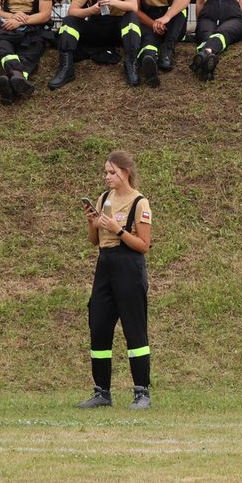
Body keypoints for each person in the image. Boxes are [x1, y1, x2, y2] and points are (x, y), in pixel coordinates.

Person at [78, 151, 152, 410]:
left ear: (125, 172)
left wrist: (118, 230)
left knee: (134, 329)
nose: (107, 177)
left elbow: (144, 245)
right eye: (106, 172)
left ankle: (142, 393)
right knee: (98, 325)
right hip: (105, 266)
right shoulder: (103, 198)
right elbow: (94, 240)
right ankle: (102, 392)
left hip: (129, 267)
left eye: (112, 172)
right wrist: (92, 223)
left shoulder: (139, 203)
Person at [51, 0, 144, 89]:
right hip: (96, 27)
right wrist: (91, 10)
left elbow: (133, 6)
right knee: (69, 21)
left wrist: (112, 1)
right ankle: (66, 68)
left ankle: (131, 63)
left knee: (132, 18)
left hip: (117, 31)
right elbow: (72, 11)